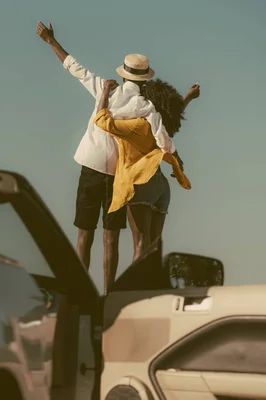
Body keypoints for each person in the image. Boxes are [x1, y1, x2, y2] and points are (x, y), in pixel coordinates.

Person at [36, 21, 182, 293]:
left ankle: (79, 291)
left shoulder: (107, 89)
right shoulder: (147, 107)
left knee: (84, 236)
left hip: (90, 167)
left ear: (125, 75)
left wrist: (51, 41)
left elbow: (74, 67)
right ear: (144, 78)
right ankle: (110, 294)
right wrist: (176, 162)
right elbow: (164, 140)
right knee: (110, 240)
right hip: (118, 176)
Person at [94, 79, 200, 261]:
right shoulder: (161, 124)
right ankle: (154, 288)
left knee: (140, 244)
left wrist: (104, 92)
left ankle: (138, 288)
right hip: (161, 186)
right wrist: (188, 98)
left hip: (141, 183)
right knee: (154, 246)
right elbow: (170, 114)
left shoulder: (137, 125)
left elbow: (102, 120)